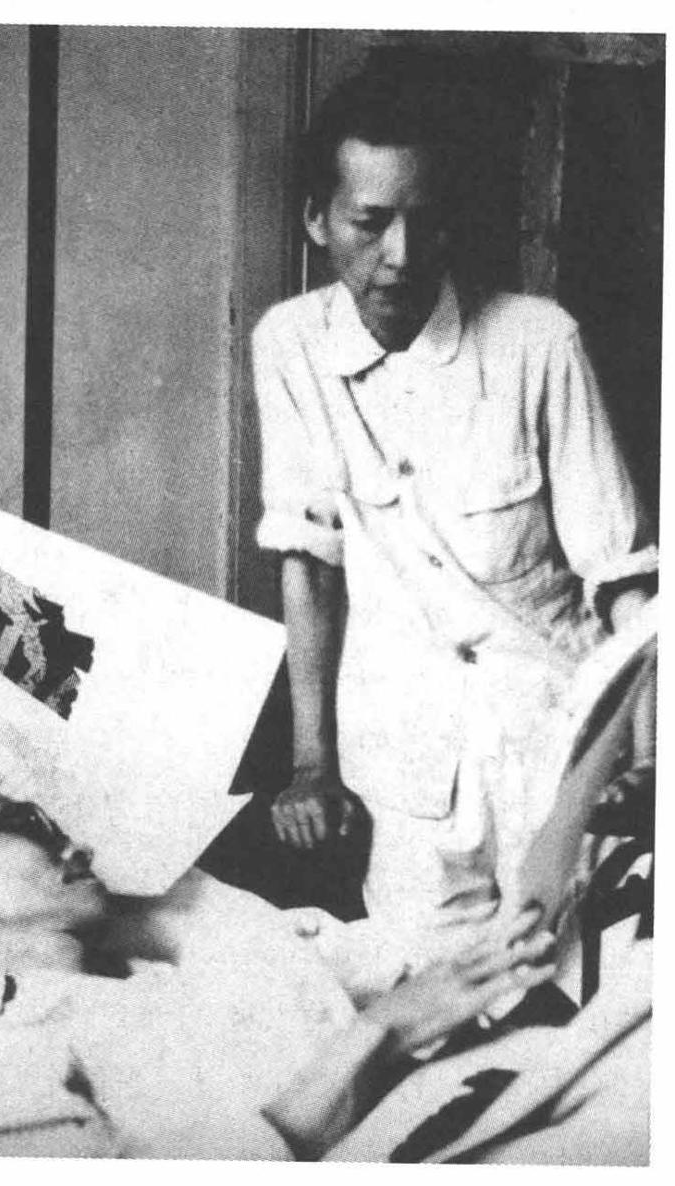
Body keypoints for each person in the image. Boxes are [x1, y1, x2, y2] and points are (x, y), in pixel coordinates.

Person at [253, 61, 657, 977]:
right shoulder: (289, 345)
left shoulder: (538, 340)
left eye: (426, 220)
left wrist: (648, 758)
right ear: (318, 220)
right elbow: (309, 559)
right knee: (425, 994)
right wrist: (312, 764)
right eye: (370, 222)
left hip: (558, 746)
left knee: (575, 990)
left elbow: (626, 580)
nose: (401, 253)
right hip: (404, 764)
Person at [0, 744, 555, 1159]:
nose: (76, 848)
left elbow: (394, 962)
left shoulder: (174, 970)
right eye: (30, 827)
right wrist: (379, 1034)